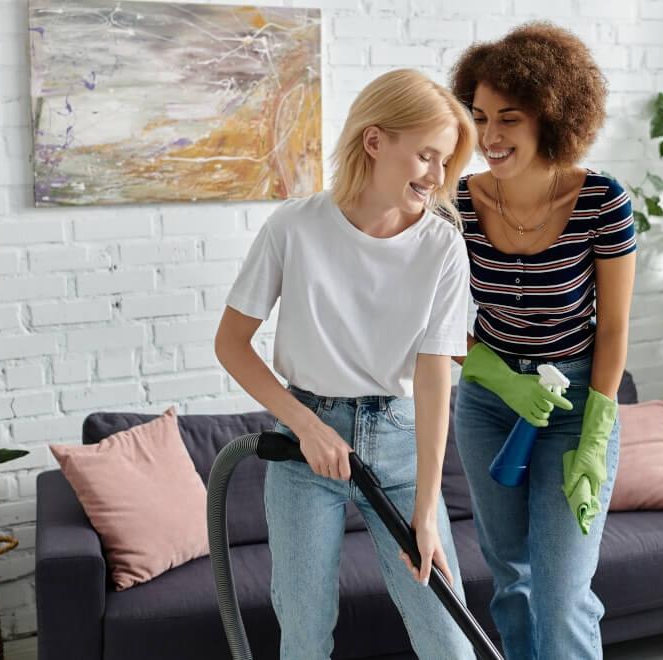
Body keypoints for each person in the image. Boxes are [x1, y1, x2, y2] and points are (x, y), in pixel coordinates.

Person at [214, 69, 477, 659]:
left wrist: (427, 512)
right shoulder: (295, 226)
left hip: (402, 450)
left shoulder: (441, 246)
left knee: (448, 643)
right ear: (376, 140)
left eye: (447, 162)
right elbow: (232, 343)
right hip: (305, 449)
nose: (437, 177)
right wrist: (307, 427)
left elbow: (436, 376)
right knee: (305, 638)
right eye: (427, 156)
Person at [448, 22, 638, 659]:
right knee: (511, 582)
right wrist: (502, 379)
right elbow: (439, 325)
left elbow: (613, 330)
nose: (490, 137)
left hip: (575, 401)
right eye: (478, 117)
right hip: (487, 401)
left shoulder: (602, 202)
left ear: (552, 116)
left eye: (509, 117)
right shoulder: (457, 206)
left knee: (561, 596)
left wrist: (595, 434)